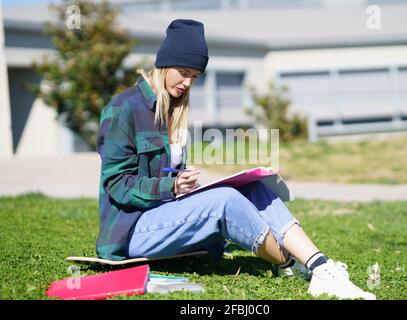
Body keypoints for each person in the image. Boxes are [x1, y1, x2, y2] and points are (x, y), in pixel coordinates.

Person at [96, 19, 376, 300]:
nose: (187, 82)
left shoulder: (174, 110)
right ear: (164, 65)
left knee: (252, 187)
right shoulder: (123, 108)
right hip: (132, 231)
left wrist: (181, 179)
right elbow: (118, 184)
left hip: (164, 217)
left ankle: (321, 266)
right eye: (183, 73)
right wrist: (170, 187)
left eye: (194, 76)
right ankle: (289, 264)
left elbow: (165, 175)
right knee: (224, 201)